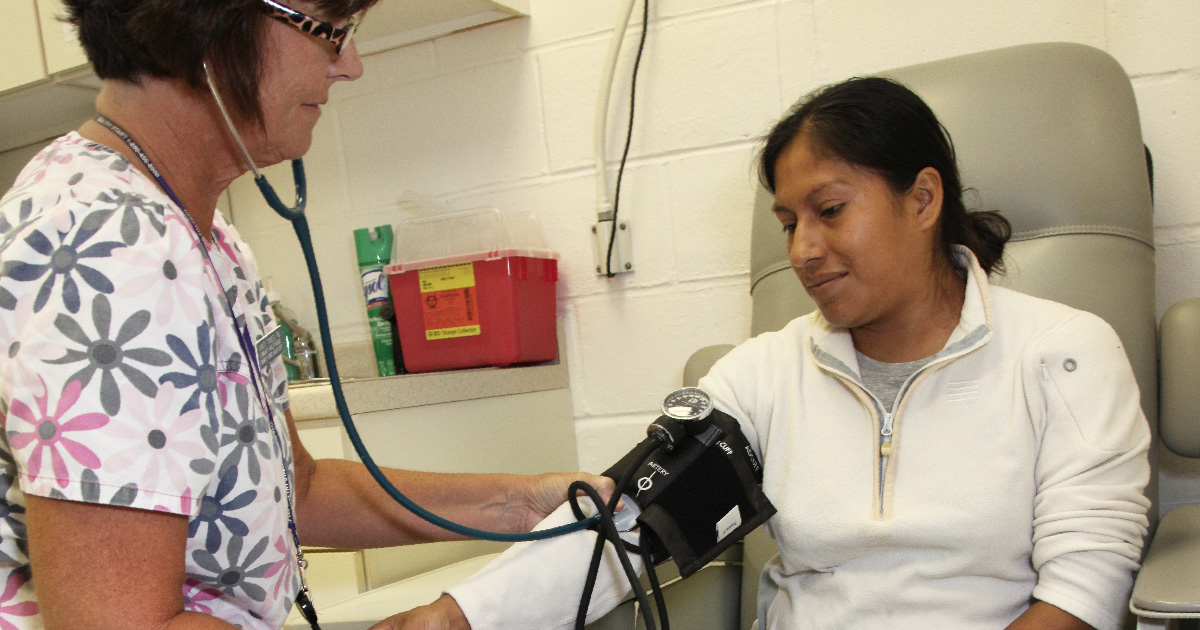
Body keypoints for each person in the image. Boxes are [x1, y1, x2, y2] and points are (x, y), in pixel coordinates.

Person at [376, 77, 1152, 630]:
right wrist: (460, 617)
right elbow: (635, 525)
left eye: (830, 210)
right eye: (788, 221)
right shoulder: (764, 379)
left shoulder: (1063, 355)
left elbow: (1085, 589)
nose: (803, 250)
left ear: (922, 199)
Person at [0, 2, 613, 629]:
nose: (351, 64)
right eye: (330, 32)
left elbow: (300, 488)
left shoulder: (206, 239)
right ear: (204, 20)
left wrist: (522, 504)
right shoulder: (107, 250)